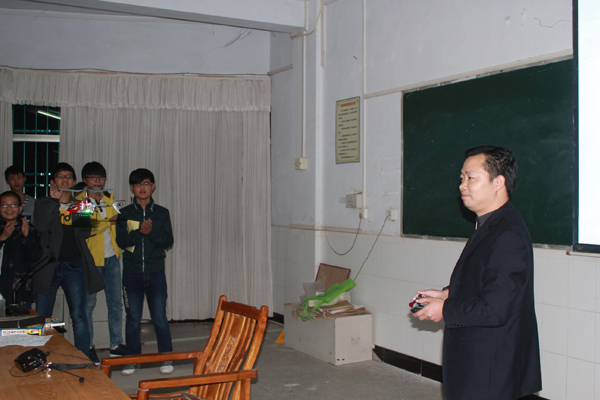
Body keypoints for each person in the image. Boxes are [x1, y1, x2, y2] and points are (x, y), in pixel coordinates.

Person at [412, 145, 542, 400]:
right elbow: (486, 281)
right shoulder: (491, 223)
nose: (462, 185)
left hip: (489, 365)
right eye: (462, 178)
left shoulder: (507, 234)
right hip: (479, 358)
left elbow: (495, 309)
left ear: (498, 182)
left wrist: (445, 309)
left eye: (471, 178)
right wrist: (448, 294)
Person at [33, 163, 105, 362]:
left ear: (74, 182)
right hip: (48, 266)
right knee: (42, 315)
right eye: (60, 176)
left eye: (68, 177)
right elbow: (40, 227)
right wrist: (54, 203)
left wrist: (83, 210)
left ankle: (84, 358)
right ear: (53, 181)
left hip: (74, 266)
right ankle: (37, 358)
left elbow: (86, 232)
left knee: (78, 315)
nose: (64, 180)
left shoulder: (80, 205)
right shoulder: (43, 203)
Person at [116, 168, 174, 376]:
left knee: (160, 318)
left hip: (155, 272)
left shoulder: (161, 213)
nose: (143, 188)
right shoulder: (124, 214)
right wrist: (139, 233)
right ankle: (132, 360)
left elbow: (168, 241)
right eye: (138, 184)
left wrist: (151, 232)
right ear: (131, 187)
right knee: (132, 319)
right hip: (131, 274)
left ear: (153, 186)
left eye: (147, 183)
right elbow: (121, 242)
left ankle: (166, 358)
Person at [77, 162, 127, 363]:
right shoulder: (80, 200)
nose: (97, 181)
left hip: (112, 257)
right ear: (85, 180)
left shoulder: (109, 198)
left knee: (115, 303)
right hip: (91, 259)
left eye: (100, 177)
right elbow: (85, 229)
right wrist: (108, 222)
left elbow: (117, 224)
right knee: (88, 305)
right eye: (92, 177)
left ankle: (116, 344)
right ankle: (88, 347)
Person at [0, 191, 43, 307]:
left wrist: (27, 237)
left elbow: (35, 256)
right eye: (4, 205)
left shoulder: (28, 228)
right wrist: (2, 238)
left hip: (20, 288)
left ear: (20, 209)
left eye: (13, 205)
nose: (9, 208)